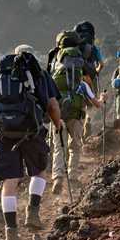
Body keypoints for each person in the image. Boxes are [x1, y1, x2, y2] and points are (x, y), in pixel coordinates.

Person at [0, 47, 62, 240]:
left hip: (5, 134)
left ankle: (11, 234)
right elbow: (52, 105)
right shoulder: (39, 74)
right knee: (39, 172)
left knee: (10, 182)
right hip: (31, 131)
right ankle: (33, 212)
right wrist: (58, 125)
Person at [48, 31, 97, 195]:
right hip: (76, 111)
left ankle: (58, 178)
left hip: (58, 112)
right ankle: (73, 177)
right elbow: (90, 78)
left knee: (58, 147)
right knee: (75, 146)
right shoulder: (80, 61)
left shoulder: (55, 60)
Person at [74, 21, 104, 139]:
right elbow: (101, 64)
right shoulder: (93, 48)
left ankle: (78, 127)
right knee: (90, 104)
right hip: (90, 79)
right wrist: (95, 71)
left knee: (78, 104)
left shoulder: (75, 48)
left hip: (77, 78)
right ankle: (88, 121)